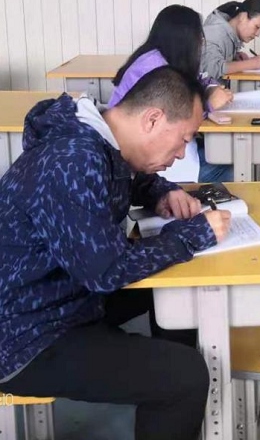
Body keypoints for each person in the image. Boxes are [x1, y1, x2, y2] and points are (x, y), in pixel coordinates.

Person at [0, 67, 233, 440]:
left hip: (62, 296)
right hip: (24, 334)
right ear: (152, 119)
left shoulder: (97, 137)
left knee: (174, 290)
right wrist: (191, 236)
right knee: (184, 376)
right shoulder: (72, 159)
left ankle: (169, 405)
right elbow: (105, 271)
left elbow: (126, 175)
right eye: (183, 140)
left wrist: (161, 191)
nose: (180, 154)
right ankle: (171, 392)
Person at [111, 4, 235, 183]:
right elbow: (174, 116)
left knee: (220, 153)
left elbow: (202, 79)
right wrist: (208, 105)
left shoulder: (162, 58)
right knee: (229, 167)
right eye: (199, 36)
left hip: (156, 149)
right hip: (150, 158)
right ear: (185, 39)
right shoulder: (155, 67)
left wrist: (211, 89)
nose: (201, 43)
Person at [200, 0, 260, 80]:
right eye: (257, 27)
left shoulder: (226, 34)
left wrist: (233, 57)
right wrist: (250, 64)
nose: (257, 34)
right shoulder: (214, 33)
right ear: (243, 17)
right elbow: (210, 70)